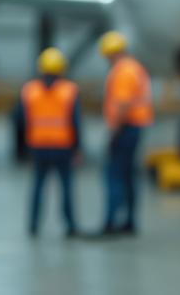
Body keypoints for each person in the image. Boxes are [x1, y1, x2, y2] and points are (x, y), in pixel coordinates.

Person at [12, 48, 83, 238]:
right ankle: (70, 225)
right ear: (61, 69)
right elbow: (75, 122)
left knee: (38, 187)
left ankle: (33, 225)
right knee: (66, 188)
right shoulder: (69, 91)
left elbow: (19, 119)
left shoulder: (29, 90)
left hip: (39, 146)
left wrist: (20, 150)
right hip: (63, 146)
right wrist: (78, 148)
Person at [98, 31, 153, 236]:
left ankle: (111, 221)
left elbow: (122, 104)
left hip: (126, 127)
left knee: (114, 174)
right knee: (129, 175)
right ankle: (129, 220)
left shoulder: (122, 71)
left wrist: (113, 131)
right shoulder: (134, 68)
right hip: (136, 127)